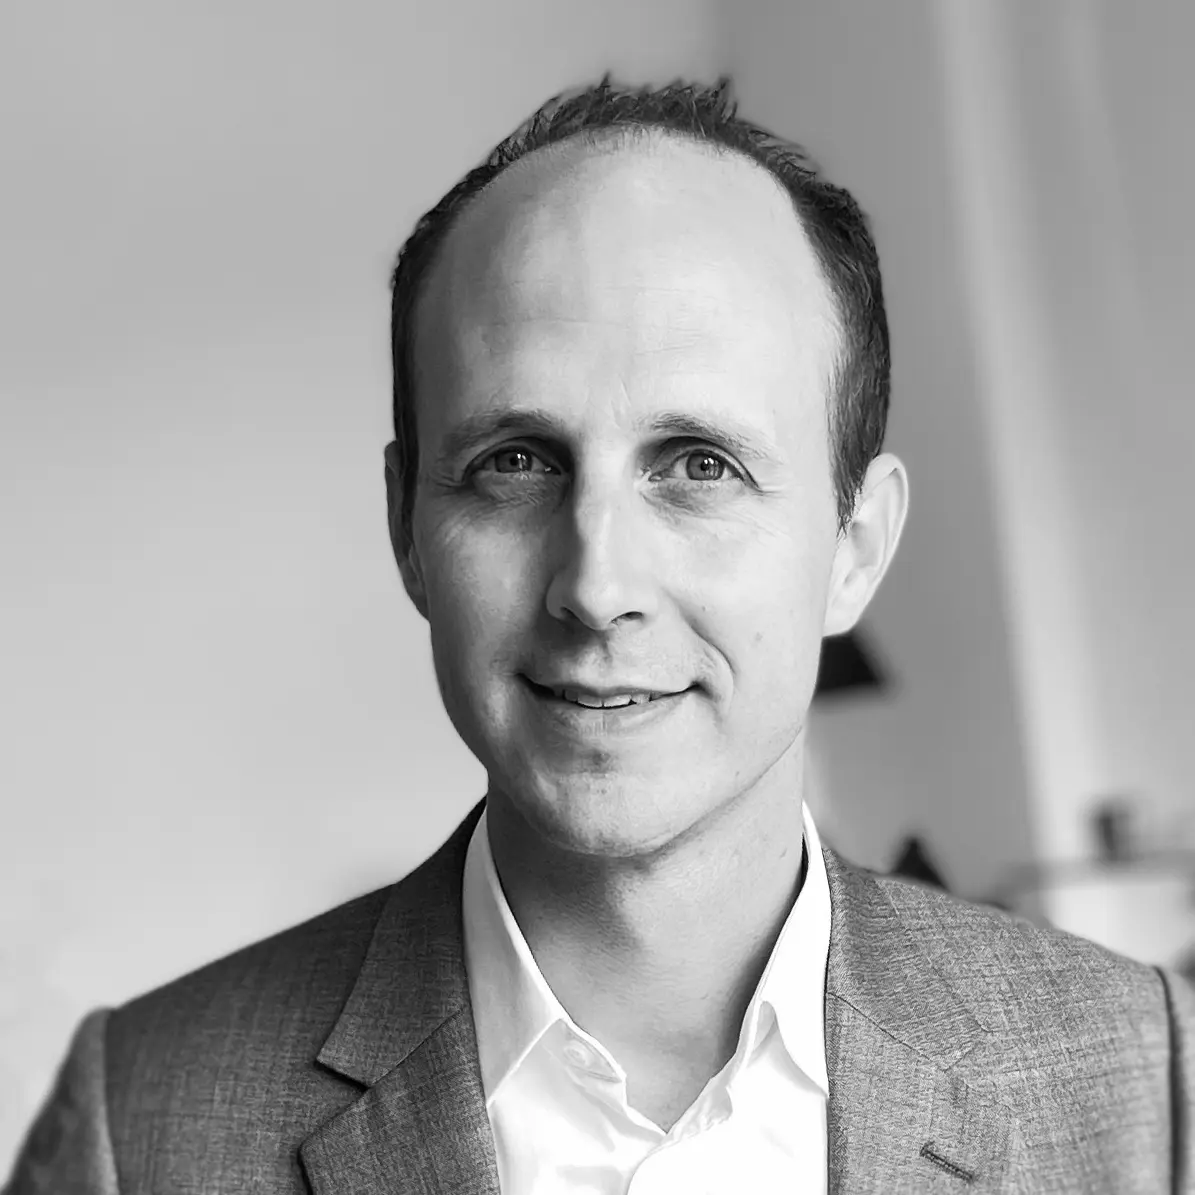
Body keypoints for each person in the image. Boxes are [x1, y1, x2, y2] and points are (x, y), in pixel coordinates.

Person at [7, 74, 1193, 1195]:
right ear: (406, 524)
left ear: (856, 546)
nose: (597, 585)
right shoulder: (140, 1125)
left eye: (699, 465)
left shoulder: (1146, 1083)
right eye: (515, 462)